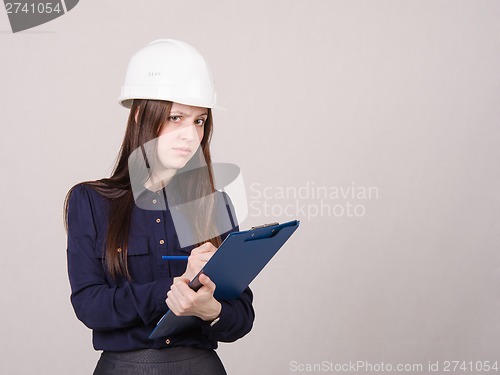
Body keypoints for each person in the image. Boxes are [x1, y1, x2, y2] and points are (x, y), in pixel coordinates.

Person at [64, 39, 254, 375]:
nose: (189, 134)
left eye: (199, 121)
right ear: (140, 115)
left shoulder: (214, 204)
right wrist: (174, 287)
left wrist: (211, 309)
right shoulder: (91, 201)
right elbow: (89, 305)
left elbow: (241, 315)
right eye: (175, 117)